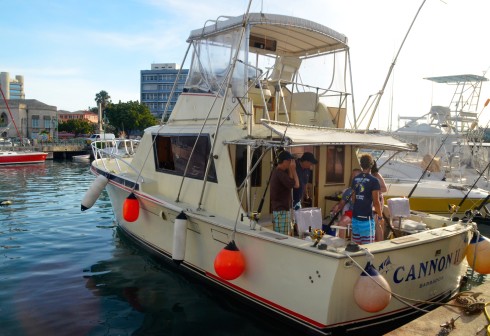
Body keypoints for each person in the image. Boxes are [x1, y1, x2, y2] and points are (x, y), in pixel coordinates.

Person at [350, 154, 383, 245]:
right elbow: (376, 202)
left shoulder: (355, 179)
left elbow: (353, 199)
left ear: (361, 165)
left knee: (356, 245)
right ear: (371, 165)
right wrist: (380, 217)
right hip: (366, 220)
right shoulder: (374, 181)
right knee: (368, 247)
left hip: (355, 218)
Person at [270, 150, 299, 235]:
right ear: (285, 161)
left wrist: (290, 169)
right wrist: (293, 170)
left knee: (283, 235)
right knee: (282, 237)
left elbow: (289, 183)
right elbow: (297, 185)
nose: (291, 163)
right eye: (290, 161)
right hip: (281, 211)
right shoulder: (280, 174)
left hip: (280, 210)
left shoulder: (279, 172)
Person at [330, 168, 361, 239]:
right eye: (352, 176)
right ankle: (341, 242)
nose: (352, 178)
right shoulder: (349, 191)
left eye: (355, 176)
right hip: (352, 212)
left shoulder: (367, 189)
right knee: (341, 222)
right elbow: (341, 204)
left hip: (363, 213)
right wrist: (336, 207)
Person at [371, 161, 387, 241]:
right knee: (375, 221)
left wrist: (375, 190)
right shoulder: (368, 176)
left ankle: (380, 241)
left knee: (378, 221)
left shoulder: (377, 175)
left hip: (378, 199)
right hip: (371, 200)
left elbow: (385, 188)